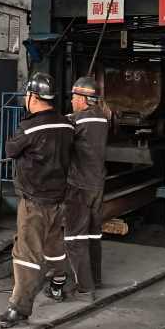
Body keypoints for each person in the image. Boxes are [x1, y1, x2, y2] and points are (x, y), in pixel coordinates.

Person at [0, 72, 75, 328]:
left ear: (33, 97)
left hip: (34, 202)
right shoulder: (67, 125)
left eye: (27, 95)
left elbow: (10, 149)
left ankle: (19, 309)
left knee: (26, 253)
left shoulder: (30, 127)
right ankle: (58, 282)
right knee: (54, 246)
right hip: (59, 199)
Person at [58, 76, 110, 301]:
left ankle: (85, 288)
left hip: (79, 186)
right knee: (93, 234)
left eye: (73, 97)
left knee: (74, 238)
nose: (71, 101)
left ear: (82, 99)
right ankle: (95, 278)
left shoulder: (76, 120)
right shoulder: (103, 117)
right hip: (97, 184)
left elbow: (56, 134)